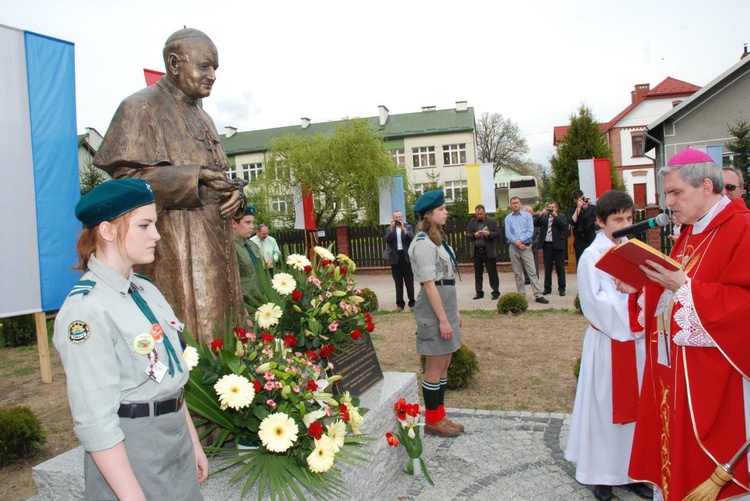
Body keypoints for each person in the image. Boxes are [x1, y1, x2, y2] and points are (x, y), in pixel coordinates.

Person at [53, 179, 207, 500]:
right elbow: (96, 422)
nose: (156, 235)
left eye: (155, 224)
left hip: (173, 436)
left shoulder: (145, 289)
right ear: (108, 231)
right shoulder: (86, 310)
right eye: (144, 225)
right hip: (132, 449)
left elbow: (168, 378)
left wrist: (192, 442)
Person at [94, 28, 245, 346]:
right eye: (204, 66)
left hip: (217, 246)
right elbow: (126, 182)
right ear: (174, 63)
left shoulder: (204, 118)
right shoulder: (139, 108)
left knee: (227, 337)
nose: (213, 75)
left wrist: (234, 193)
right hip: (174, 246)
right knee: (192, 340)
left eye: (215, 67)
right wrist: (191, 178)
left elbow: (217, 175)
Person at [621, 148, 750, 500]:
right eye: (667, 194)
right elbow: (672, 290)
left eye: (677, 193)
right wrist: (643, 285)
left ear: (706, 186)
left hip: (716, 378)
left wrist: (685, 288)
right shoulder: (690, 232)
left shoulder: (742, 228)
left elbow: (743, 304)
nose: (669, 203)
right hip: (673, 370)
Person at [564, 190, 652, 501]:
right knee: (604, 409)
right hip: (608, 343)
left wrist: (638, 293)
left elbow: (650, 291)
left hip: (637, 344)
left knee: (639, 411)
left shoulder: (636, 251)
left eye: (629, 218)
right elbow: (594, 304)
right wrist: (631, 297)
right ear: (601, 221)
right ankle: (601, 474)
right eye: (618, 220)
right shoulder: (592, 257)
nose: (625, 225)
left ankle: (631, 472)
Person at [409, 190, 464, 437]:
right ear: (429, 215)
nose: (446, 212)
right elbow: (430, 284)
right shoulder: (422, 243)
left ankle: (440, 415)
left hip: (446, 304)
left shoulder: (436, 240)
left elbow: (447, 280)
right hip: (433, 309)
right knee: (435, 363)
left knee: (445, 363)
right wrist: (442, 319)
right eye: (441, 209)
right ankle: (432, 420)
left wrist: (455, 313)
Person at [504, 197, 549, 304]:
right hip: (514, 247)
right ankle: (521, 295)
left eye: (517, 203)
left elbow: (530, 231)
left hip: (526, 247)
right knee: (517, 273)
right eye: (513, 203)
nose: (515, 205)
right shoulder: (508, 218)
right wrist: (516, 242)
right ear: (511, 205)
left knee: (532, 272)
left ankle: (538, 295)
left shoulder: (527, 216)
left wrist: (522, 241)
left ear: (521, 204)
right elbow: (508, 233)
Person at [466, 204, 501, 300]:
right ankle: (479, 292)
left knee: (492, 272)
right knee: (478, 273)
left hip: (488, 251)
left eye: (481, 214)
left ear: (484, 212)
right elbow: (468, 235)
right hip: (477, 251)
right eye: (477, 214)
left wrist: (489, 234)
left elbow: (497, 233)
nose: (479, 216)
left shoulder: (491, 221)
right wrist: (474, 235)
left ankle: (495, 292)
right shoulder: (472, 222)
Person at [384, 210, 415, 311]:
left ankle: (412, 303)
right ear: (393, 219)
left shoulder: (408, 227)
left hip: (406, 258)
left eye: (399, 217)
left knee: (409, 282)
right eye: (396, 217)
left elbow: (412, 237)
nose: (398, 219)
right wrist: (392, 229)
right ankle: (400, 304)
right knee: (398, 283)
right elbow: (386, 240)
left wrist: (404, 229)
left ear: (402, 217)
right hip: (395, 259)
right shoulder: (389, 229)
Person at [232, 205, 262, 309]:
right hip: (244, 306)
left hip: (260, 302)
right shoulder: (230, 248)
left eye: (252, 222)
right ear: (234, 223)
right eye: (247, 222)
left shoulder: (253, 246)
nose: (252, 226)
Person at [535, 201, 568, 296]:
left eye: (552, 207)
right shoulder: (545, 217)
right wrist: (541, 213)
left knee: (560, 268)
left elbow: (563, 226)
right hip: (547, 245)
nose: (551, 209)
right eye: (549, 207)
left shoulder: (560, 216)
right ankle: (547, 288)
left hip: (558, 245)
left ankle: (562, 288)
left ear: (556, 208)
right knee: (547, 268)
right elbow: (535, 223)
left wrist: (555, 216)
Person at [568, 190, 597, 265]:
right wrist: (578, 208)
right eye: (579, 199)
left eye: (583, 198)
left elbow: (594, 221)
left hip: (591, 237)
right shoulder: (572, 209)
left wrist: (586, 209)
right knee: (581, 262)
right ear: (575, 200)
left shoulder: (592, 208)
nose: (582, 201)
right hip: (579, 239)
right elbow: (572, 221)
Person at [523, 205, 540, 285]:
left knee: (535, 263)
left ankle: (535, 278)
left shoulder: (536, 221)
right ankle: (527, 279)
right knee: (525, 263)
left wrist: (533, 244)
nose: (532, 212)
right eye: (529, 211)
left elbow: (538, 234)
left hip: (534, 246)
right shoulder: (523, 222)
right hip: (524, 245)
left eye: (532, 211)